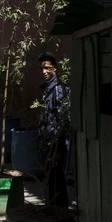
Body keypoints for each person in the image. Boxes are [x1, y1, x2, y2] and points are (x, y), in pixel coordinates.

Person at [37, 52, 71, 209]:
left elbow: (64, 120)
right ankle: (52, 208)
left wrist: (57, 145)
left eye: (47, 68)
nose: (44, 72)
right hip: (48, 141)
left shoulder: (59, 90)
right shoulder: (48, 89)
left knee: (56, 179)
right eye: (42, 68)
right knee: (50, 178)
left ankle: (59, 212)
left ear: (55, 69)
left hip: (56, 143)